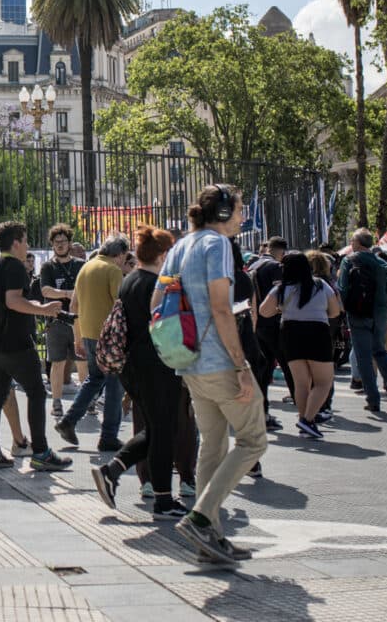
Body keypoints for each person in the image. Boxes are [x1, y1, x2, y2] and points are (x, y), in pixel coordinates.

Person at [155, 184, 267, 565]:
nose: (241, 217)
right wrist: (241, 366)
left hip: (188, 361)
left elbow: (157, 302)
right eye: (238, 210)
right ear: (221, 213)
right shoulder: (217, 246)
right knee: (253, 440)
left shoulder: (179, 246)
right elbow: (221, 309)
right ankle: (201, 518)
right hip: (219, 359)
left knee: (213, 445)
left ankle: (212, 537)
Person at [90, 227, 192, 519]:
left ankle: (113, 471)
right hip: (158, 365)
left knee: (158, 428)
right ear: (162, 255)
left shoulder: (129, 280)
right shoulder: (158, 284)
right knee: (164, 430)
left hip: (133, 366)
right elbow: (172, 325)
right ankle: (162, 500)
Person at [0, 221, 71, 473]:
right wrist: (43, 309)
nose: (27, 245)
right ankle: (40, 452)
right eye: (25, 240)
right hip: (16, 343)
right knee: (37, 393)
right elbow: (13, 301)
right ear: (16, 242)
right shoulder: (15, 267)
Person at [56, 237, 129, 453]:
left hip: (88, 331)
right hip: (109, 336)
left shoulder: (86, 267)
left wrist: (77, 336)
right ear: (120, 254)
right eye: (125, 257)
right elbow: (121, 303)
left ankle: (68, 420)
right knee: (115, 384)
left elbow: (74, 304)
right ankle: (108, 436)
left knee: (95, 378)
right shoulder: (113, 270)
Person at [259, 251, 340, 439]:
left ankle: (305, 421)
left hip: (289, 333)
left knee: (301, 383)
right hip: (317, 332)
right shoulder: (320, 285)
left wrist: (282, 308)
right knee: (324, 381)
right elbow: (335, 311)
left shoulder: (280, 289)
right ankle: (307, 420)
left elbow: (264, 312)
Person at [337, 229, 387, 412]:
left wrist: (342, 310)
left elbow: (343, 288)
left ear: (357, 243)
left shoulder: (349, 261)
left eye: (352, 240)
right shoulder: (382, 263)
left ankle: (372, 398)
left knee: (363, 357)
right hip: (381, 312)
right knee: (380, 351)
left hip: (358, 313)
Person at [38, 224, 84, 418]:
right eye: (56, 242)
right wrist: (68, 293)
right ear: (52, 244)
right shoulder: (48, 266)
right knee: (57, 362)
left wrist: (70, 296)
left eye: (63, 241)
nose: (60, 245)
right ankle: (56, 402)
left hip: (79, 321)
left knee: (83, 362)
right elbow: (46, 291)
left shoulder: (80, 264)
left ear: (69, 243)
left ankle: (85, 402)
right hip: (56, 321)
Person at [248, 236, 286, 432]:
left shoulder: (254, 265)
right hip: (272, 323)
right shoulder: (275, 268)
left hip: (256, 325)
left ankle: (262, 411)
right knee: (284, 364)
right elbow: (279, 296)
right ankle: (309, 412)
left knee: (262, 370)